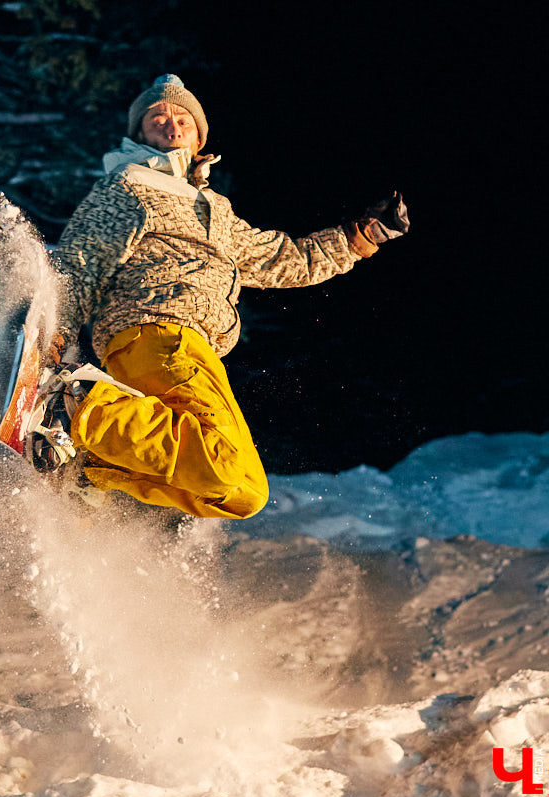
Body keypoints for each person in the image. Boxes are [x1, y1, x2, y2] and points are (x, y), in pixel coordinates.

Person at [40, 74, 408, 519]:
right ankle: (77, 406)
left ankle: (92, 466)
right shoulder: (129, 186)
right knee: (221, 465)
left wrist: (358, 238)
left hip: (200, 350)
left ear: (199, 137)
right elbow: (82, 260)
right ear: (138, 135)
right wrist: (52, 335)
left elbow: (281, 259)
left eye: (183, 119)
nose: (172, 126)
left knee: (245, 494)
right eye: (158, 119)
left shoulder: (215, 209)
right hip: (153, 332)